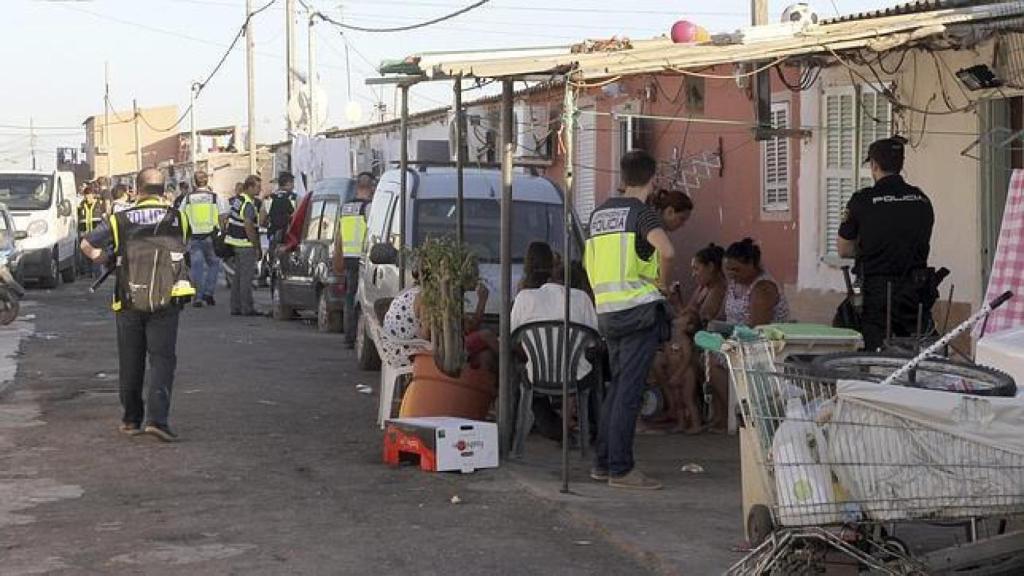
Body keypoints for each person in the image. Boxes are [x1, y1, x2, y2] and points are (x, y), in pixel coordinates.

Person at [79, 167, 193, 442]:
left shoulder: (119, 219)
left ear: (137, 190)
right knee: (162, 359)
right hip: (166, 299)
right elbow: (183, 248)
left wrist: (105, 258)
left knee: (131, 360)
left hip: (128, 300)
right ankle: (158, 420)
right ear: (163, 190)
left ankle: (131, 420)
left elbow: (86, 244)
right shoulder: (179, 217)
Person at [584, 150, 675, 490]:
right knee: (629, 392)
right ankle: (621, 469)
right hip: (638, 310)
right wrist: (663, 284)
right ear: (653, 178)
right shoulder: (642, 213)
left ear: (622, 177)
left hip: (608, 311)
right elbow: (667, 250)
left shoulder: (598, 215)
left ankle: (603, 463)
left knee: (617, 388)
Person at [838, 136, 935, 351]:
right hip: (915, 293)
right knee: (913, 353)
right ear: (901, 163)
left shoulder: (862, 200)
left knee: (872, 352)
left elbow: (844, 249)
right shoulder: (922, 200)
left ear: (874, 165)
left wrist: (868, 248)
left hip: (876, 294)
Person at [512, 242, 599, 442]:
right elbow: (593, 344)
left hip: (537, 375)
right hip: (576, 376)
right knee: (594, 369)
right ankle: (590, 429)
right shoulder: (582, 299)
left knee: (519, 372)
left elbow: (513, 340)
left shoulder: (523, 297)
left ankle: (545, 429)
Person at [651, 243, 726, 434]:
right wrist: (676, 302)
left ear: (710, 267)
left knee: (677, 365)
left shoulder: (718, 290)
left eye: (696, 269)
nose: (693, 274)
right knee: (657, 362)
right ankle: (674, 410)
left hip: (702, 345)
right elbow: (686, 315)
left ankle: (697, 418)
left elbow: (696, 322)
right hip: (690, 341)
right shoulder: (702, 288)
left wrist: (683, 317)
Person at [337, 172, 376, 348]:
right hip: (364, 259)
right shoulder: (369, 208)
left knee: (349, 298)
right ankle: (362, 336)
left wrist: (338, 258)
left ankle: (349, 337)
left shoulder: (346, 207)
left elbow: (339, 236)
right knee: (363, 300)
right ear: (371, 187)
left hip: (348, 258)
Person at [178, 171, 221, 307]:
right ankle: (208, 293)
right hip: (210, 236)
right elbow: (223, 215)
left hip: (194, 237)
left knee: (197, 268)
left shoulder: (188, 198)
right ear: (207, 181)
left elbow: (180, 215)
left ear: (194, 183)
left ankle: (198, 297)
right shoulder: (214, 197)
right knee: (214, 264)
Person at [222, 175, 262, 316]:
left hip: (235, 243)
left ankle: (236, 306)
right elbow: (249, 226)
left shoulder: (238, 200)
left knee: (238, 277)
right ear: (249, 187)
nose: (260, 190)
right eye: (257, 187)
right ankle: (247, 307)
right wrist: (256, 245)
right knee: (246, 277)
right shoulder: (248, 204)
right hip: (245, 244)